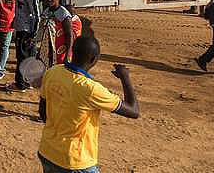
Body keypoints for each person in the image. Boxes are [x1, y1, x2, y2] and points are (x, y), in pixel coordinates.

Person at [38, 36, 140, 173]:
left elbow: (42, 110)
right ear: (93, 60)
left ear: (73, 52)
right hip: (74, 160)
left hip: (48, 150)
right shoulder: (91, 89)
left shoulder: (53, 72)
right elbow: (133, 111)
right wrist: (125, 77)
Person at [8, 0, 40, 92]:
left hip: (27, 31)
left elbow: (36, 15)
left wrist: (33, 34)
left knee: (23, 57)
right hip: (20, 28)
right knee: (24, 56)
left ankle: (20, 84)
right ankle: (26, 82)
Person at [42, 0, 82, 65]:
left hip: (60, 51)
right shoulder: (47, 11)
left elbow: (69, 36)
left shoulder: (64, 14)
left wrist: (67, 56)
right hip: (47, 50)